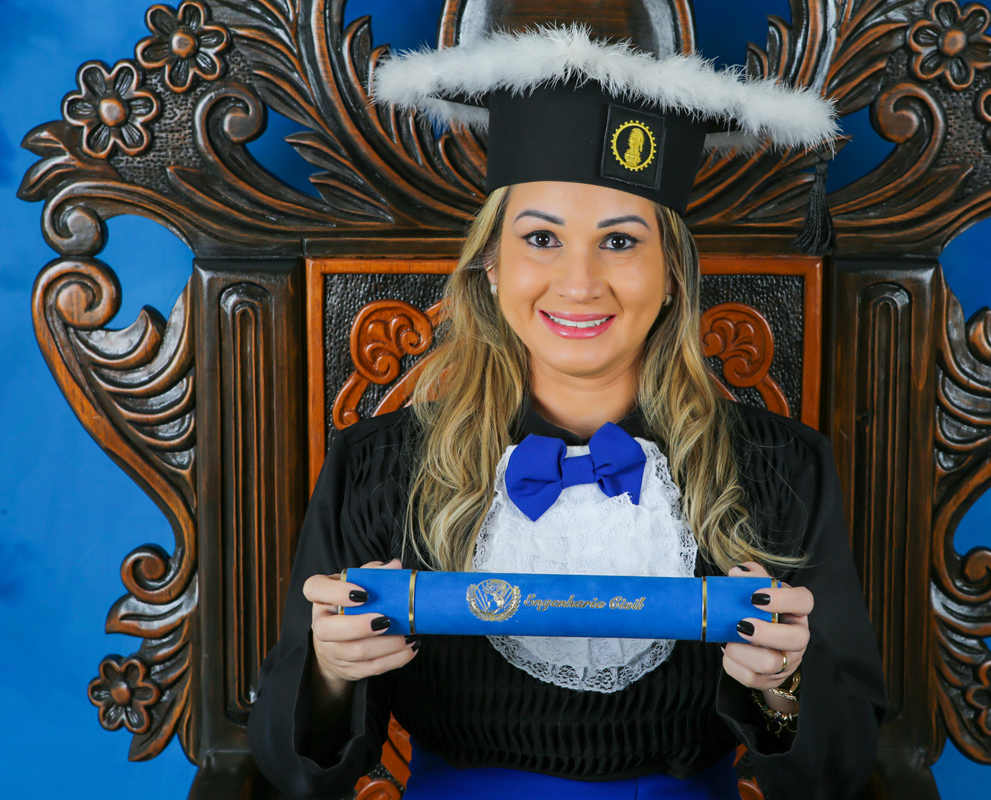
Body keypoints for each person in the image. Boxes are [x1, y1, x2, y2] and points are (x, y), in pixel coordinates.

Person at [249, 26, 886, 800]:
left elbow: (838, 775)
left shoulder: (782, 470)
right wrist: (329, 670)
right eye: (541, 237)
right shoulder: (375, 468)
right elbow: (294, 774)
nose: (579, 283)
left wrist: (785, 686)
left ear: (672, 273)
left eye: (619, 241)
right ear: (491, 265)